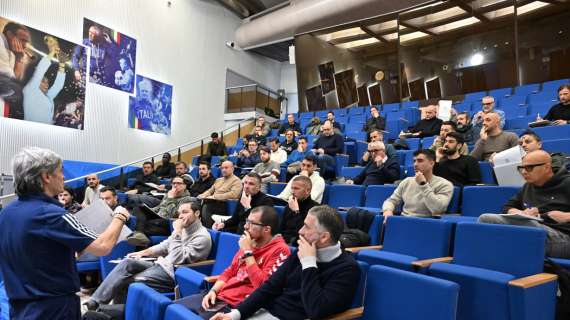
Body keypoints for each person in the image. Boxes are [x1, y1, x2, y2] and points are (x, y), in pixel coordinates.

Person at [0, 147, 130, 319]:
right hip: (54, 308)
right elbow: (103, 247)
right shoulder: (51, 214)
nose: (63, 176)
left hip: (20, 306)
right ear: (46, 177)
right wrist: (120, 216)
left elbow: (35, 254)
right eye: (60, 171)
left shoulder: (7, 213)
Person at [210, 205, 361, 320]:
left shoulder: (347, 269)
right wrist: (234, 315)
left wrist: (309, 263)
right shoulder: (299, 253)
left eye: (307, 227)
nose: (300, 231)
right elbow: (269, 288)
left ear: (323, 237)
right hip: (268, 312)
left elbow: (316, 309)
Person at [84, 200, 212, 310]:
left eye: (185, 212)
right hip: (161, 264)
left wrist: (177, 232)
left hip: (173, 273)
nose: (180, 216)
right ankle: (95, 301)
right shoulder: (185, 228)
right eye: (179, 212)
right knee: (127, 262)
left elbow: (177, 258)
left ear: (197, 213)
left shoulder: (202, 237)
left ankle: (119, 314)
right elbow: (165, 245)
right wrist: (142, 252)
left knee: (126, 282)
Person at [175, 206, 290, 319]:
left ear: (266, 229)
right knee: (173, 309)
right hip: (219, 297)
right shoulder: (250, 242)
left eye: (251, 223)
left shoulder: (280, 251)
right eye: (246, 221)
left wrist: (248, 253)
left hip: (235, 306)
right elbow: (230, 271)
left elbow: (262, 287)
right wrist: (213, 291)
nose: (245, 226)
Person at [478, 150, 570, 258]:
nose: (524, 172)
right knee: (485, 219)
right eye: (521, 168)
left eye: (529, 168)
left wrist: (566, 216)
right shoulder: (528, 186)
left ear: (546, 167)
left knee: (529, 228)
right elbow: (507, 207)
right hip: (534, 229)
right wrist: (523, 213)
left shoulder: (567, 183)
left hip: (562, 237)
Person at [383, 149, 453, 219]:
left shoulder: (444, 184)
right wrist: (387, 210)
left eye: (420, 161)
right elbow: (391, 201)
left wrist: (423, 185)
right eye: (414, 161)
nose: (415, 164)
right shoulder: (407, 181)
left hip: (427, 223)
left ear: (432, 163)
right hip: (404, 220)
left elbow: (438, 209)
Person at [128, 175, 192, 246]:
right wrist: (149, 210)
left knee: (141, 224)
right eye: (173, 183)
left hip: (168, 223)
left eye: (179, 183)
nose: (175, 185)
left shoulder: (187, 199)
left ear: (185, 186)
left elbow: (172, 215)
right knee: (139, 208)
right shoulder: (168, 194)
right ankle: (140, 234)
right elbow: (160, 207)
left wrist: (171, 199)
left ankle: (139, 233)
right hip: (158, 217)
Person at [23, 51, 66, 124]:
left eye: (47, 82)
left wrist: (62, 64)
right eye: (43, 81)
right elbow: (39, 71)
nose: (47, 85)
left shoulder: (47, 97)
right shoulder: (30, 90)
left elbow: (58, 86)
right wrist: (52, 52)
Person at [198, 161, 242, 228]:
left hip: (224, 205)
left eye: (226, 168)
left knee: (206, 206)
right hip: (212, 202)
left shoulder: (237, 181)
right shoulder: (218, 180)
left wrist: (215, 197)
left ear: (232, 169)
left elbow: (234, 194)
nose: (223, 170)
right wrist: (203, 195)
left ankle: (207, 229)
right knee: (196, 203)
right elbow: (210, 190)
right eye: (222, 168)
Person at [280, 176, 319, 245]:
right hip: (284, 243)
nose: (292, 192)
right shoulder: (289, 206)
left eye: (296, 188)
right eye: (292, 188)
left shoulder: (316, 209)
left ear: (307, 190)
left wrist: (296, 211)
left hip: (300, 244)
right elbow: (281, 229)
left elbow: (305, 234)